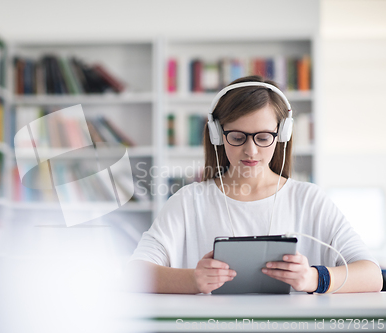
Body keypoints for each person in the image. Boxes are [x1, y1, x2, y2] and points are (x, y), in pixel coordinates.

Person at [126, 76, 382, 294]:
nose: (251, 150)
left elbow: (373, 275)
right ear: (217, 135)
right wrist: (192, 279)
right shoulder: (188, 201)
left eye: (263, 137)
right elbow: (133, 273)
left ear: (282, 135)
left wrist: (315, 278)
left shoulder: (309, 199)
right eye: (237, 137)